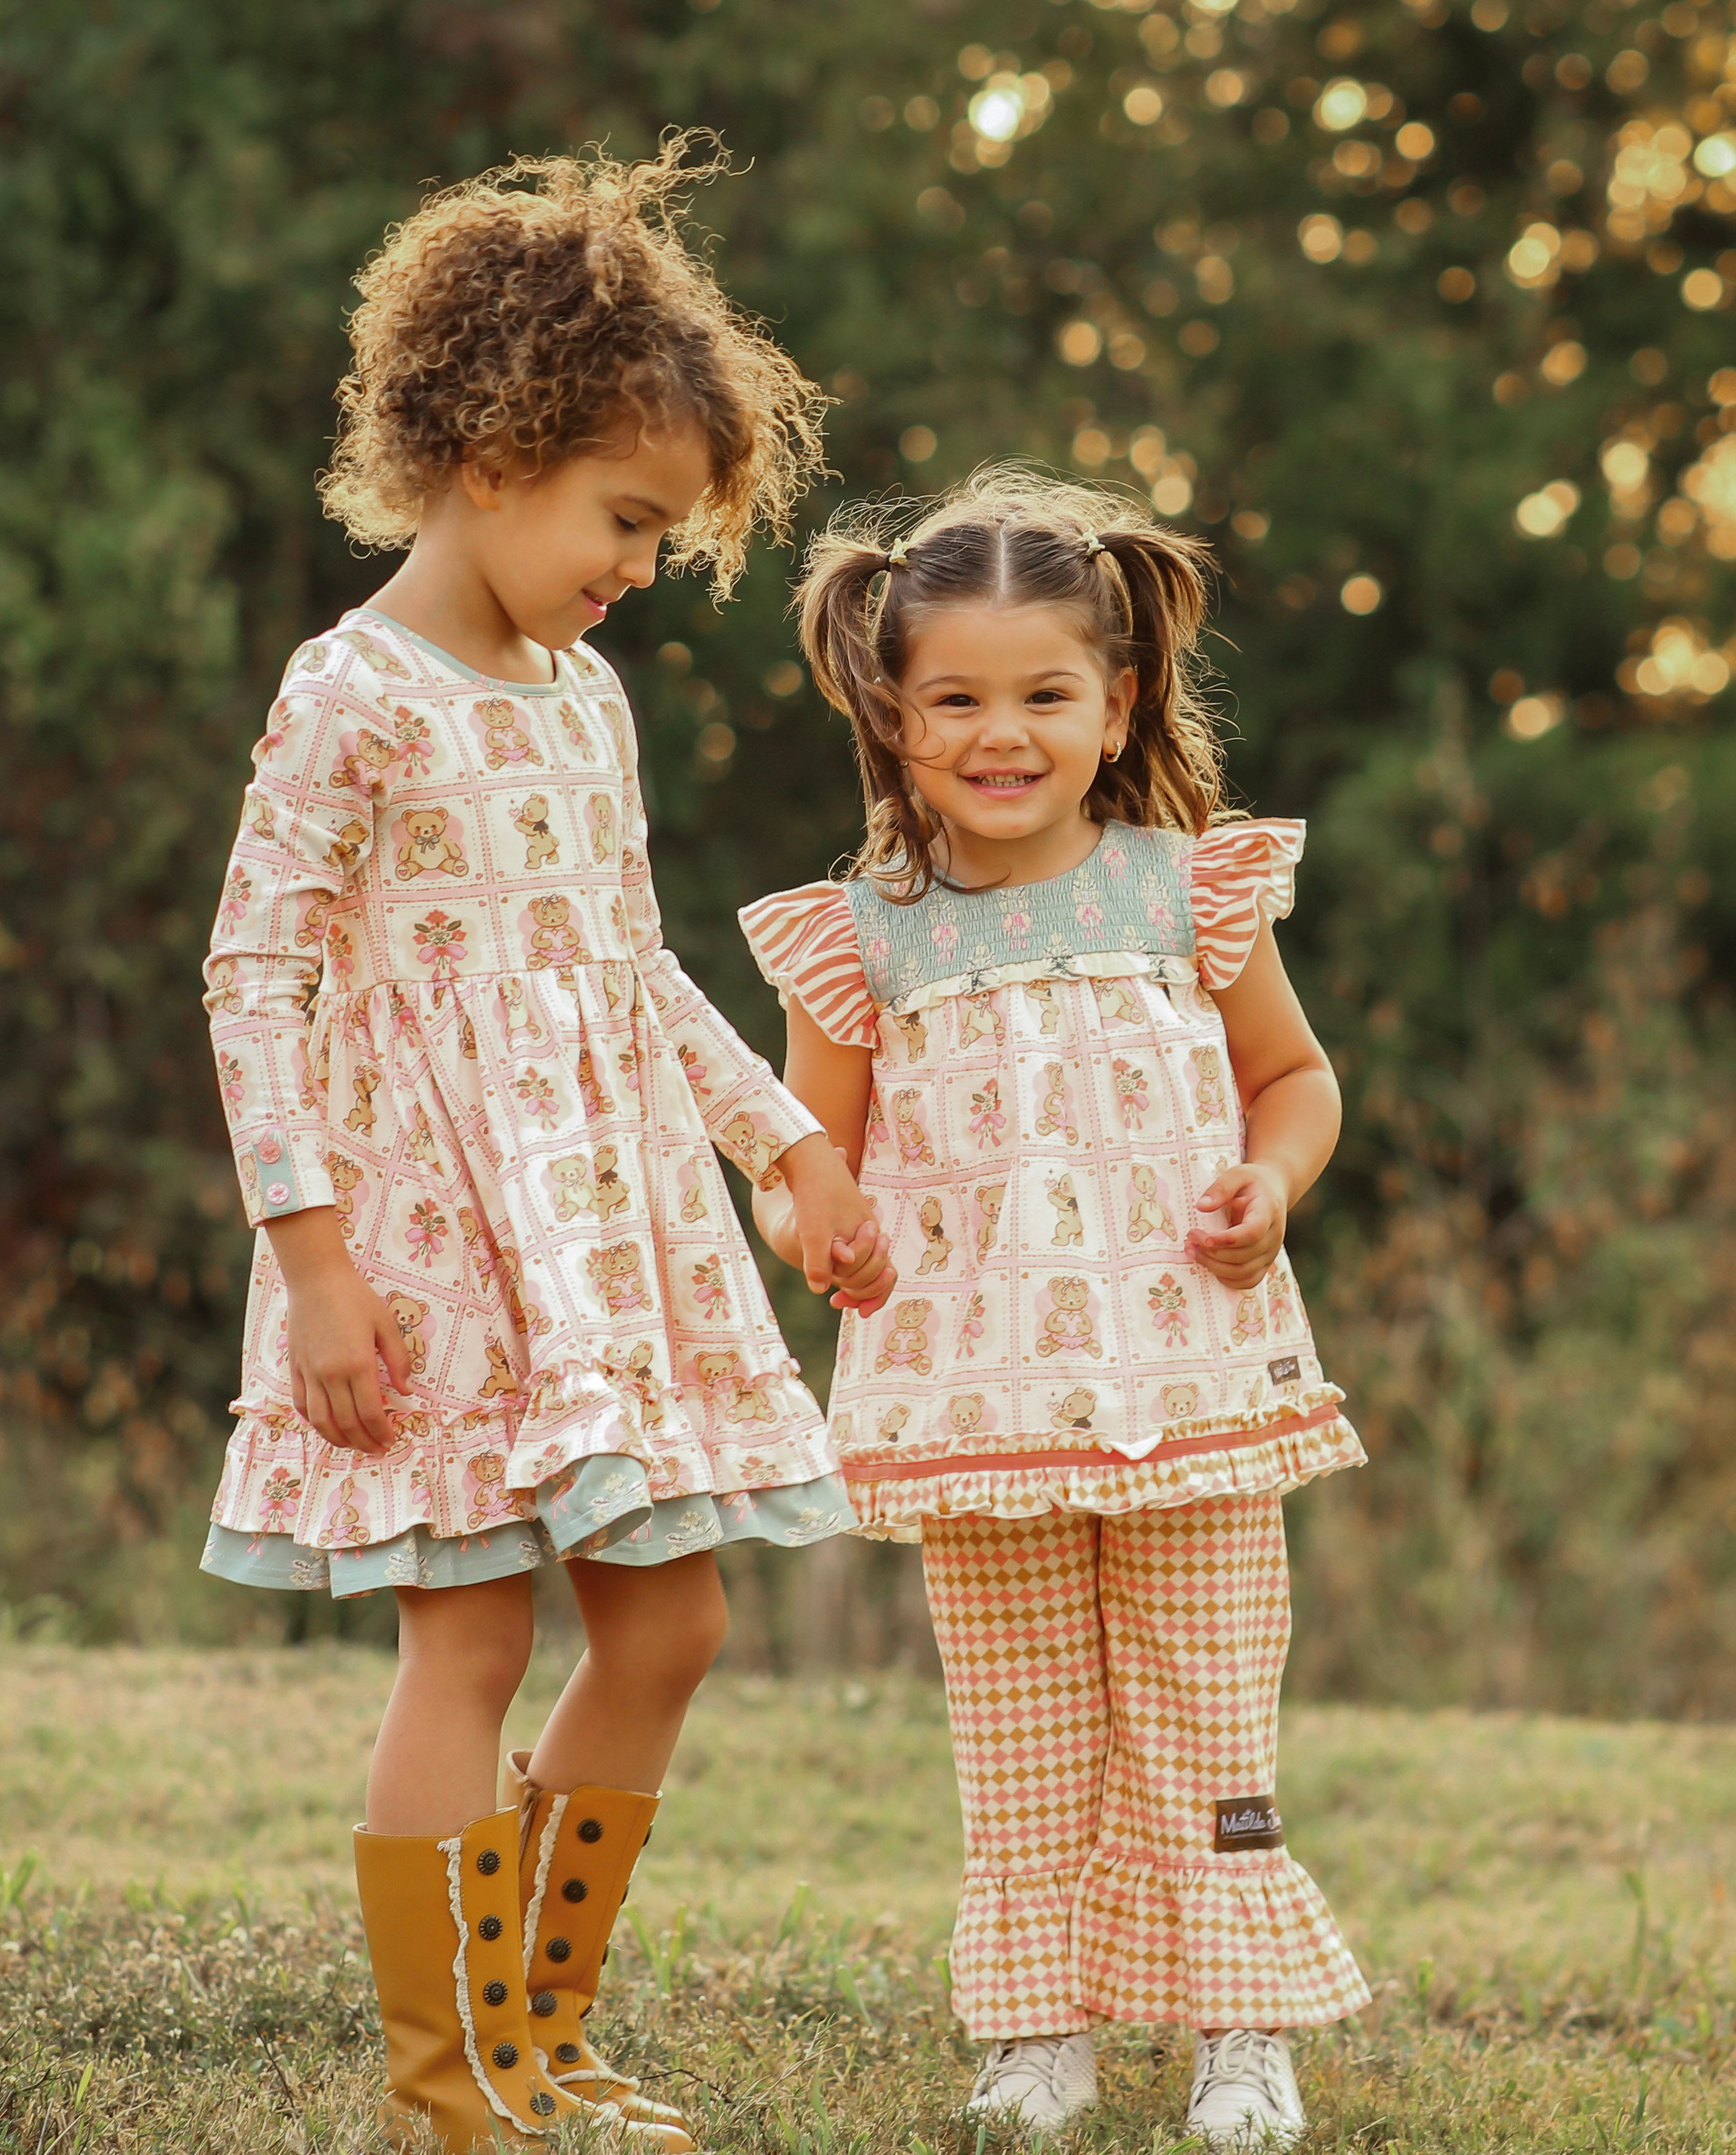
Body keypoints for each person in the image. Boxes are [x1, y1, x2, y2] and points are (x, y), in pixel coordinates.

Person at [198, 138, 891, 2154]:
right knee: (477, 1631)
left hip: (602, 1237)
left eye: (664, 534)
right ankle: (457, 2090)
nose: (641, 566)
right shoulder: (351, 693)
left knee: (672, 1621)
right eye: (627, 519)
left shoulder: (585, 700)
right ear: (492, 458)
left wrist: (784, 1148)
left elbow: (629, 970)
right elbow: (251, 978)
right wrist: (311, 1260)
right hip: (421, 1246)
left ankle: (542, 2034)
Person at [739, 468, 1369, 2149]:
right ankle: (1040, 2033)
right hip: (977, 1407)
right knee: (1021, 1733)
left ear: (1119, 703)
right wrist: (819, 1230)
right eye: (954, 699)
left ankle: (1243, 2030)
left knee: (1208, 1711)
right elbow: (807, 1161)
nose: (999, 734)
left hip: (1189, 1388)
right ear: (892, 711)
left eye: (1044, 695)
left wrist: (1273, 1183)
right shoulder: (861, 940)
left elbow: (1295, 1079)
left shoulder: (1188, 892)